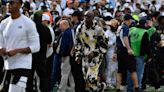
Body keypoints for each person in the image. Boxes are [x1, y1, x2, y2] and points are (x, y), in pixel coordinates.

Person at [0, 0, 40, 92]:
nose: (8, 5)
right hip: (7, 65)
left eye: (11, 2)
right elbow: (1, 43)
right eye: (7, 2)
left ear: (20, 5)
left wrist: (17, 51)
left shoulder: (28, 23)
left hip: (22, 65)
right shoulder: (3, 23)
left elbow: (36, 46)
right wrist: (1, 49)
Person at [75, 11, 108, 92]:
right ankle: (100, 87)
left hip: (96, 57)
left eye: (88, 16)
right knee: (86, 77)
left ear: (93, 18)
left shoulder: (98, 30)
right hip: (85, 56)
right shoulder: (80, 28)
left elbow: (104, 45)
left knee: (91, 77)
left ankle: (98, 88)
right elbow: (77, 42)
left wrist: (95, 52)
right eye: (85, 16)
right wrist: (78, 55)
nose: (86, 18)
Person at [26, 11, 52, 92]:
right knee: (43, 76)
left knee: (29, 76)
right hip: (41, 57)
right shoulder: (45, 28)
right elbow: (49, 41)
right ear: (41, 18)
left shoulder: (29, 28)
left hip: (30, 56)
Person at [127, 17, 153, 92]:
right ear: (145, 24)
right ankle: (137, 88)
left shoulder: (132, 29)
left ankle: (129, 88)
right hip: (139, 55)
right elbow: (147, 45)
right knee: (138, 73)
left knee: (130, 72)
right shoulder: (144, 32)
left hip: (130, 53)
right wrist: (150, 55)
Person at [116, 14, 139, 92]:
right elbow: (125, 38)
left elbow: (117, 40)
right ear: (129, 20)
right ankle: (136, 88)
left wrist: (115, 53)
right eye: (131, 20)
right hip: (125, 51)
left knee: (120, 71)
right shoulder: (125, 27)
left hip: (119, 51)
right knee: (133, 69)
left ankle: (117, 88)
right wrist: (129, 49)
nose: (131, 22)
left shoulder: (119, 27)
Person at [57, 20, 75, 92]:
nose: (59, 28)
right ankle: (73, 88)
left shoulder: (66, 33)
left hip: (67, 56)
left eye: (60, 26)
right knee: (70, 73)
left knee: (64, 73)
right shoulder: (71, 31)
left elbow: (65, 46)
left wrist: (63, 55)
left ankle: (62, 89)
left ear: (65, 25)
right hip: (71, 55)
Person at [104, 19, 118, 89]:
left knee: (115, 67)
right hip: (110, 51)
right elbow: (105, 44)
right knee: (109, 67)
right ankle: (108, 82)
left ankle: (113, 82)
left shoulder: (115, 33)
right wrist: (112, 44)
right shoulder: (107, 33)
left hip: (115, 51)